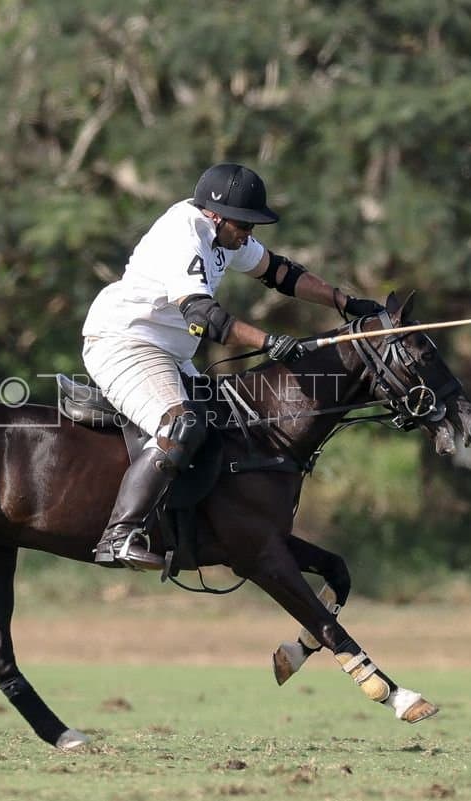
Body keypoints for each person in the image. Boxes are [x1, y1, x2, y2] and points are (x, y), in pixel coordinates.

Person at [81, 162, 383, 569]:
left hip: (169, 353)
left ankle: (208, 532)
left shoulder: (228, 236)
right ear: (215, 215)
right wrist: (268, 342)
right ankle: (118, 535)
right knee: (181, 425)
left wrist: (346, 303)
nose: (248, 233)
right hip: (125, 341)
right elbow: (204, 317)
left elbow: (279, 272)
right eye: (243, 224)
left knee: (230, 427)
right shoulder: (184, 234)